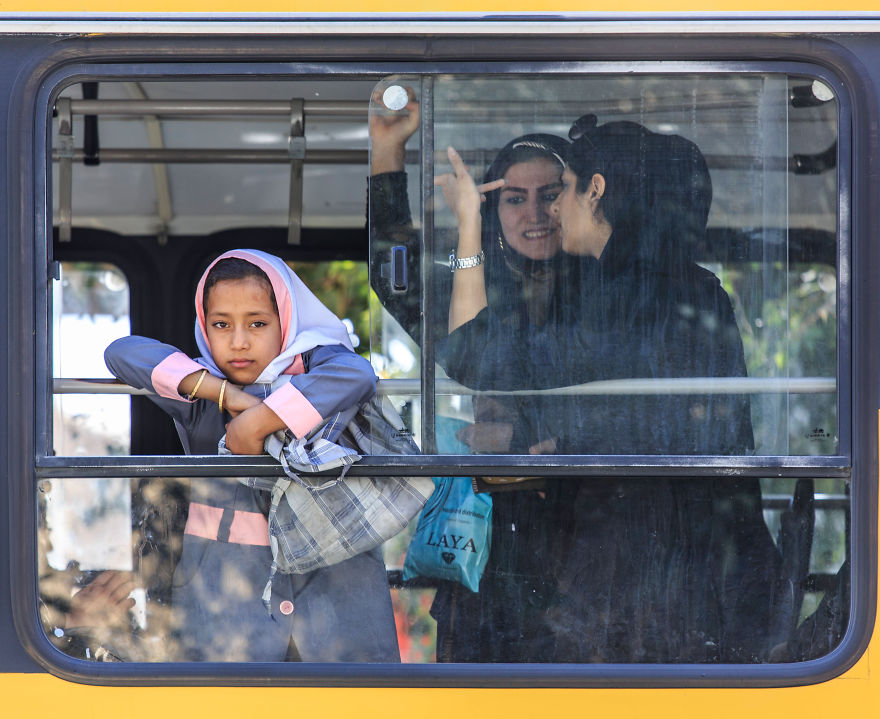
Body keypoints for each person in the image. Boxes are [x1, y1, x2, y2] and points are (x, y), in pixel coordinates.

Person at [439, 115, 786, 662]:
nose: (551, 211)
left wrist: (467, 225)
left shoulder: (609, 297)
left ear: (595, 190)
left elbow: (472, 358)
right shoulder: (687, 289)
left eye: (565, 191)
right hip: (693, 566)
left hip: (640, 571)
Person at [105, 249, 400, 662]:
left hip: (337, 600)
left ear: (288, 320)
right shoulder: (201, 399)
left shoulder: (323, 375)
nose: (238, 341)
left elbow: (357, 373)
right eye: (220, 324)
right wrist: (223, 393)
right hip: (226, 612)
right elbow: (121, 353)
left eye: (258, 323)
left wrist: (256, 422)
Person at [369, 89, 572, 661]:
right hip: (484, 543)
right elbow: (397, 276)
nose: (534, 214)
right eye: (513, 199)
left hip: (585, 539)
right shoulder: (476, 278)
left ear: (579, 199)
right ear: (491, 206)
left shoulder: (601, 285)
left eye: (550, 195)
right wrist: (387, 153)